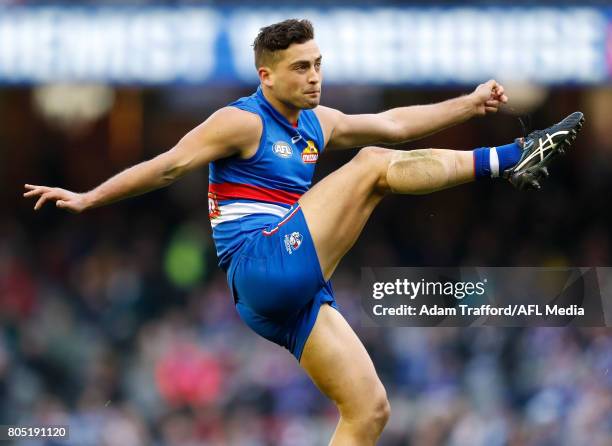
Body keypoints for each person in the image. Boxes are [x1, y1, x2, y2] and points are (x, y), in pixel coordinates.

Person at [24, 19, 583, 445]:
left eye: (318, 64)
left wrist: (467, 103)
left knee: (370, 410)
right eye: (300, 68)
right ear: (266, 75)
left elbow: (394, 123)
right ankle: (513, 157)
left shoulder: (318, 122)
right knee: (369, 167)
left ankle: (509, 157)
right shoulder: (240, 121)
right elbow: (169, 165)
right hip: (261, 263)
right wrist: (91, 195)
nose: (314, 76)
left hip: (289, 294)